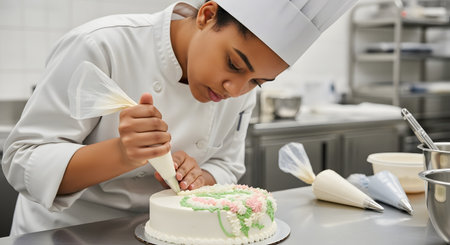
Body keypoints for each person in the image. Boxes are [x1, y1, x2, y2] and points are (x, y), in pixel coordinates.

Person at [2, 0, 356, 235]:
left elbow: (227, 166)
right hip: (71, 235)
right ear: (206, 15)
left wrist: (202, 177)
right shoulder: (103, 45)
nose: (235, 90)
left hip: (168, 235)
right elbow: (22, 160)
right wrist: (124, 154)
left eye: (257, 82)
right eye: (234, 64)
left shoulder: (236, 89)